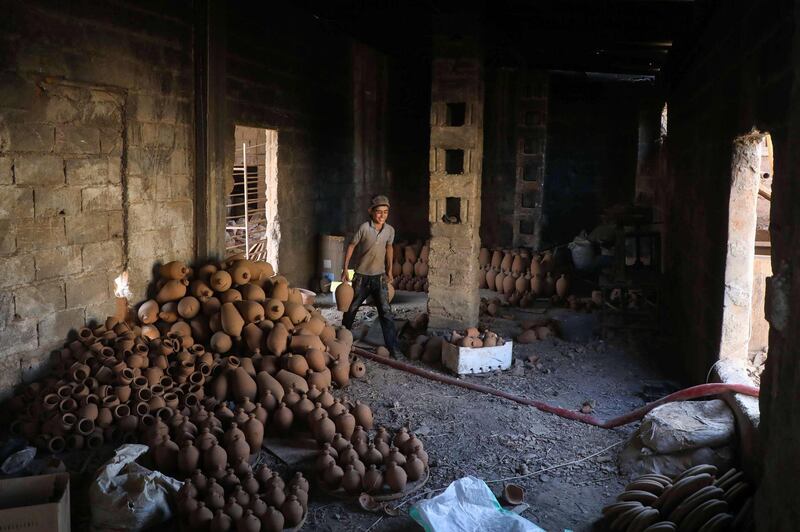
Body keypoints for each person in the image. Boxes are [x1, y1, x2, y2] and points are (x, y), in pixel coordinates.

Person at [341, 195, 400, 358]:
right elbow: (352, 246)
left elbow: (389, 248)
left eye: (386, 212)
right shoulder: (364, 228)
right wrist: (345, 268)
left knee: (386, 312)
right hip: (361, 276)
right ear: (371, 212)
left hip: (379, 277)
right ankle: (342, 342)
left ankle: (393, 347)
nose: (382, 215)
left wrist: (389, 270)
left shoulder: (389, 230)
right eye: (379, 212)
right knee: (351, 308)